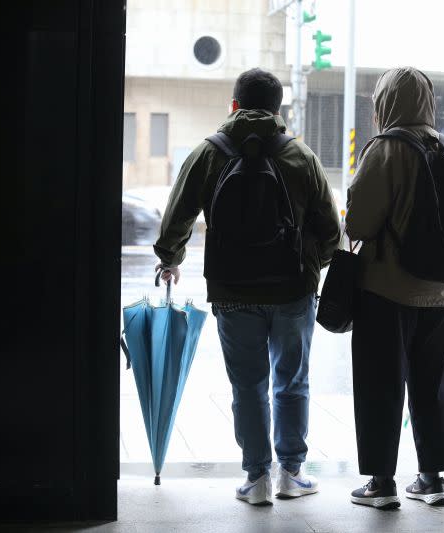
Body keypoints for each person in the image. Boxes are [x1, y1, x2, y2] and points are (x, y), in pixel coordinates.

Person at [153, 68, 341, 506]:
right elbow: (330, 230)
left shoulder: (208, 153)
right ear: (278, 111)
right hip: (293, 290)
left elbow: (178, 213)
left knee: (248, 386)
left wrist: (170, 259)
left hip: (232, 290)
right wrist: (313, 265)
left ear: (234, 106)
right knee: (292, 381)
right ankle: (291, 473)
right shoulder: (300, 156)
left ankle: (256, 478)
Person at [345, 67, 444, 510]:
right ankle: (432, 479)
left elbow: (359, 223)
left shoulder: (387, 148)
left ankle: (381, 483)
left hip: (389, 287)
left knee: (381, 384)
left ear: (385, 103)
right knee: (433, 385)